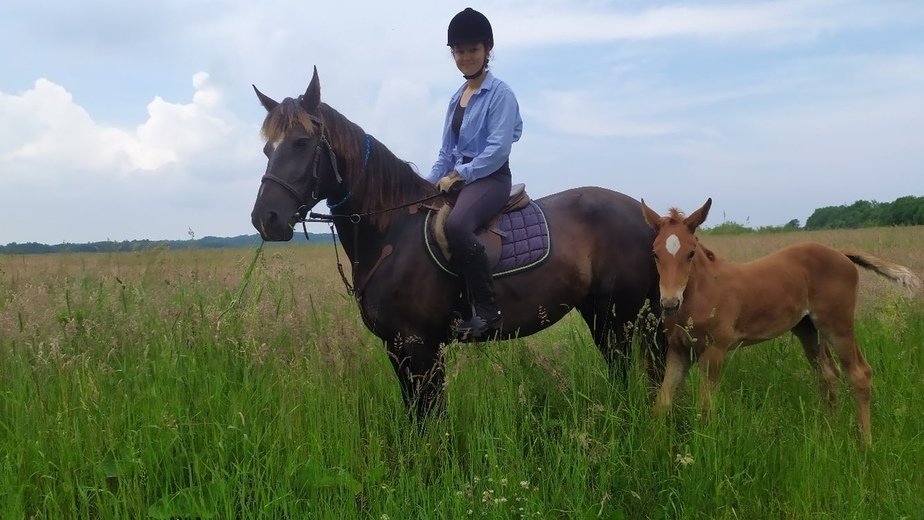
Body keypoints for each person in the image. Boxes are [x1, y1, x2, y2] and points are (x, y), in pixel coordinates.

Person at [427, 7, 523, 340]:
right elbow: (445, 153)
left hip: (491, 178)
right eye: (459, 51)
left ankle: (488, 312)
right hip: (460, 176)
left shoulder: (501, 95)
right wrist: (423, 186)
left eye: (472, 50)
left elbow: (497, 151)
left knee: (456, 224)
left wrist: (460, 174)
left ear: (487, 50)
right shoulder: (457, 98)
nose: (465, 57)